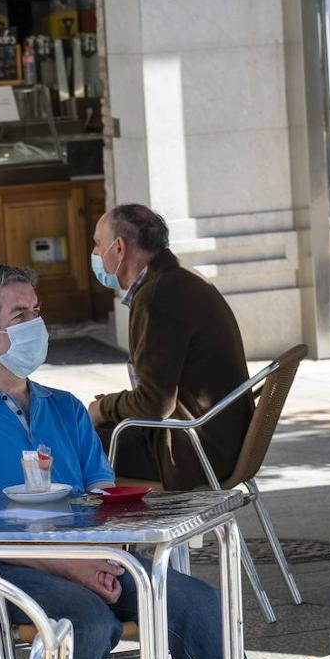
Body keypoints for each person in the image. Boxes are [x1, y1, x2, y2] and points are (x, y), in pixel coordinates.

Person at [0, 263, 278, 659]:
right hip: (1, 568)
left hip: (90, 555)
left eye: (37, 310)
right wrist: (71, 565)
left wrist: (105, 555)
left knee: (198, 603)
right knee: (86, 622)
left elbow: (101, 488)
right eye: (19, 315)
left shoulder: (65, 407)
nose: (37, 324)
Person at [85, 204, 253, 490]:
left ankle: (85, 533)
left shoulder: (158, 296)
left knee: (68, 443)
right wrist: (115, 405)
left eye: (98, 244)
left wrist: (103, 408)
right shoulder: (180, 278)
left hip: (193, 452)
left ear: (120, 248)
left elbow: (154, 405)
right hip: (217, 440)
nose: (96, 254)